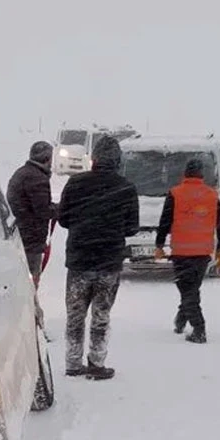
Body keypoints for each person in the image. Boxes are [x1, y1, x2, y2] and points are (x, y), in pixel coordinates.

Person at [56, 135, 140, 380]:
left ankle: (73, 362)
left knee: (75, 314)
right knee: (101, 315)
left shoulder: (75, 183)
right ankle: (96, 363)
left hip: (79, 260)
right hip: (109, 262)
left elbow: (63, 219)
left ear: (93, 158)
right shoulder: (126, 188)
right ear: (117, 160)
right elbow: (132, 228)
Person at [154, 158, 220, 344]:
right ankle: (180, 320)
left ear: (185, 174)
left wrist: (159, 244)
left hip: (182, 251)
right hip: (203, 252)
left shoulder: (175, 193)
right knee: (191, 288)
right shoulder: (212, 195)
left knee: (187, 290)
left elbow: (165, 221)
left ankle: (199, 329)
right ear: (201, 174)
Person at [6, 140, 57, 283]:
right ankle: (29, 303)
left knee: (19, 277)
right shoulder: (38, 179)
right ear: (47, 159)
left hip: (18, 233)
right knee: (30, 278)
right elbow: (43, 211)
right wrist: (58, 209)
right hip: (30, 238)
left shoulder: (22, 172)